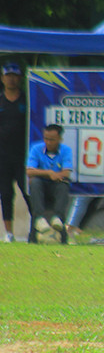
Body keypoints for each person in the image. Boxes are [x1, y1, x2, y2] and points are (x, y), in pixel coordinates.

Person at [26, 124, 74, 244]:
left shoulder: (66, 150)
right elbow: (29, 171)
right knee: (35, 182)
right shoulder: (36, 148)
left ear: (59, 139)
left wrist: (57, 176)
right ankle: (39, 219)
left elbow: (66, 173)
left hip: (56, 185)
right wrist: (49, 173)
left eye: (52, 139)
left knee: (63, 186)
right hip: (41, 185)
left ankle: (57, 219)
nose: (48, 142)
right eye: (46, 138)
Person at [0, 62, 27, 242]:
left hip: (23, 155)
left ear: (20, 78)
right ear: (2, 78)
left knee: (28, 191)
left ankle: (36, 228)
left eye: (14, 75)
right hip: (2, 155)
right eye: (8, 75)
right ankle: (9, 232)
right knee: (6, 193)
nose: (11, 78)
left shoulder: (26, 99)